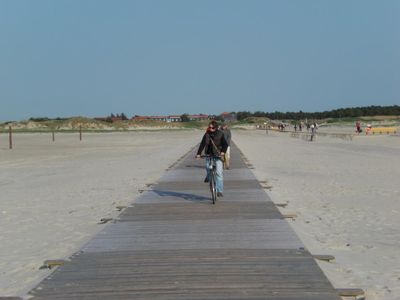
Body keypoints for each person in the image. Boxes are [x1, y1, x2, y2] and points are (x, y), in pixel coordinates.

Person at [196, 120, 228, 197]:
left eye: (212, 127)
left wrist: (223, 152)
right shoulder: (206, 134)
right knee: (208, 168)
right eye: (209, 127)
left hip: (218, 155)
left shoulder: (220, 134)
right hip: (209, 154)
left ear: (216, 127)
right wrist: (198, 154)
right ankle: (210, 179)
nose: (210, 128)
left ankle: (219, 191)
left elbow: (225, 144)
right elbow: (202, 144)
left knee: (219, 173)